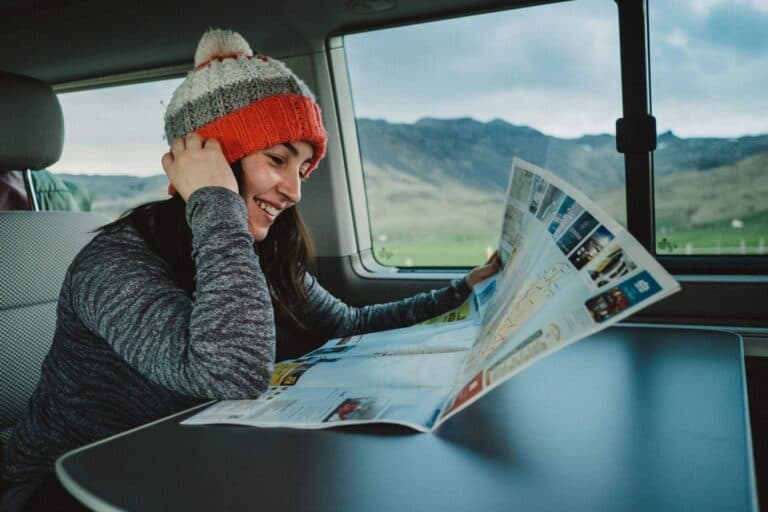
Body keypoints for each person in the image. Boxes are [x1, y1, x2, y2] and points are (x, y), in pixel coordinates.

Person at [0, 28, 499, 511]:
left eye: (302, 169)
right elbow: (230, 373)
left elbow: (349, 326)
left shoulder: (251, 250)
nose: (294, 190)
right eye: (278, 159)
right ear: (215, 156)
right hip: (69, 482)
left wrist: (462, 290)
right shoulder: (113, 264)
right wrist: (215, 201)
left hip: (189, 464)